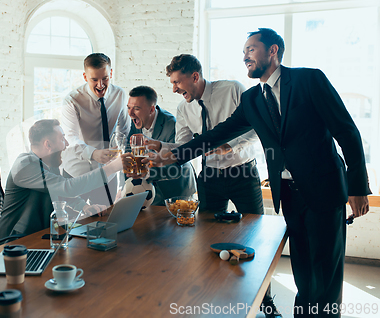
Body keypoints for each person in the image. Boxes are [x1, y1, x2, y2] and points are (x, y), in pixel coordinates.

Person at [149, 28, 370, 317]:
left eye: (250, 50)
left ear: (273, 50)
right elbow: (217, 135)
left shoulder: (309, 79)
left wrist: (358, 187)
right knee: (302, 271)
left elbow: (347, 131)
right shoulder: (253, 99)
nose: (245, 56)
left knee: (326, 273)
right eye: (243, 52)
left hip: (325, 190)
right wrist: (174, 156)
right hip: (289, 194)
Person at [147, 54, 264, 215]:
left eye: (177, 82)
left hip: (243, 174)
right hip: (209, 177)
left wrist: (230, 147)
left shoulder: (233, 89)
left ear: (195, 76)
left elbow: (257, 128)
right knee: (207, 231)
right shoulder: (183, 108)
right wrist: (161, 146)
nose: (174, 89)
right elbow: (185, 146)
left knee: (255, 227)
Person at [0, 119, 125, 239]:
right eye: (62, 138)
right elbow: (68, 187)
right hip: (14, 242)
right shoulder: (25, 165)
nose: (67, 144)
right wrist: (112, 167)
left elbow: (60, 192)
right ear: (48, 144)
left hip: (40, 235)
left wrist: (84, 207)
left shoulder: (48, 163)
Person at [61, 53, 131, 205]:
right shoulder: (71, 100)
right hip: (77, 172)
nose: (100, 85)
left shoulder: (119, 94)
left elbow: (124, 131)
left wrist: (118, 148)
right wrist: (93, 154)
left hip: (108, 173)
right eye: (94, 79)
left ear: (111, 73)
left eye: (105, 78)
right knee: (74, 222)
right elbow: (70, 137)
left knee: (108, 222)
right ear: (85, 77)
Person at [126, 85, 196, 205]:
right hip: (151, 193)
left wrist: (148, 173)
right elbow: (129, 154)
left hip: (177, 191)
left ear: (151, 109)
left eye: (136, 108)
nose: (131, 113)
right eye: (129, 108)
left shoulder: (171, 125)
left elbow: (176, 167)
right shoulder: (134, 123)